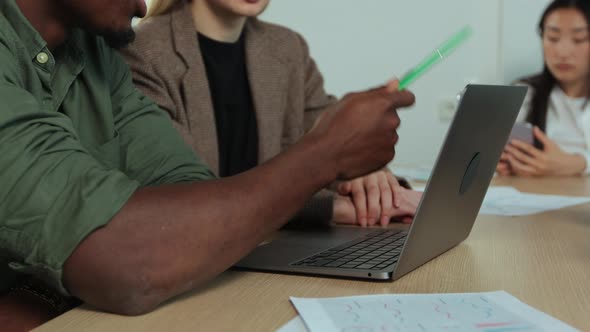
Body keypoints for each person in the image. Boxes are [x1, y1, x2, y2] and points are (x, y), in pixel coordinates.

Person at [0, 0, 415, 329]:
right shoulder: (135, 47)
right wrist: (325, 155)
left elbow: (189, 192)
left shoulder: (96, 55)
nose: (144, 8)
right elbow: (130, 263)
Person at [121, 0, 422, 227]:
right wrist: (333, 208)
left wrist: (367, 176)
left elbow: (329, 143)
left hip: (270, 252)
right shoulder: (141, 50)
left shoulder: (288, 47)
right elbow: (184, 195)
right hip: (192, 257)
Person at [497, 0, 590, 177]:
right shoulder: (525, 94)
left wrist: (581, 163)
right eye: (553, 38)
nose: (563, 52)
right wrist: (502, 163)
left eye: (579, 39)